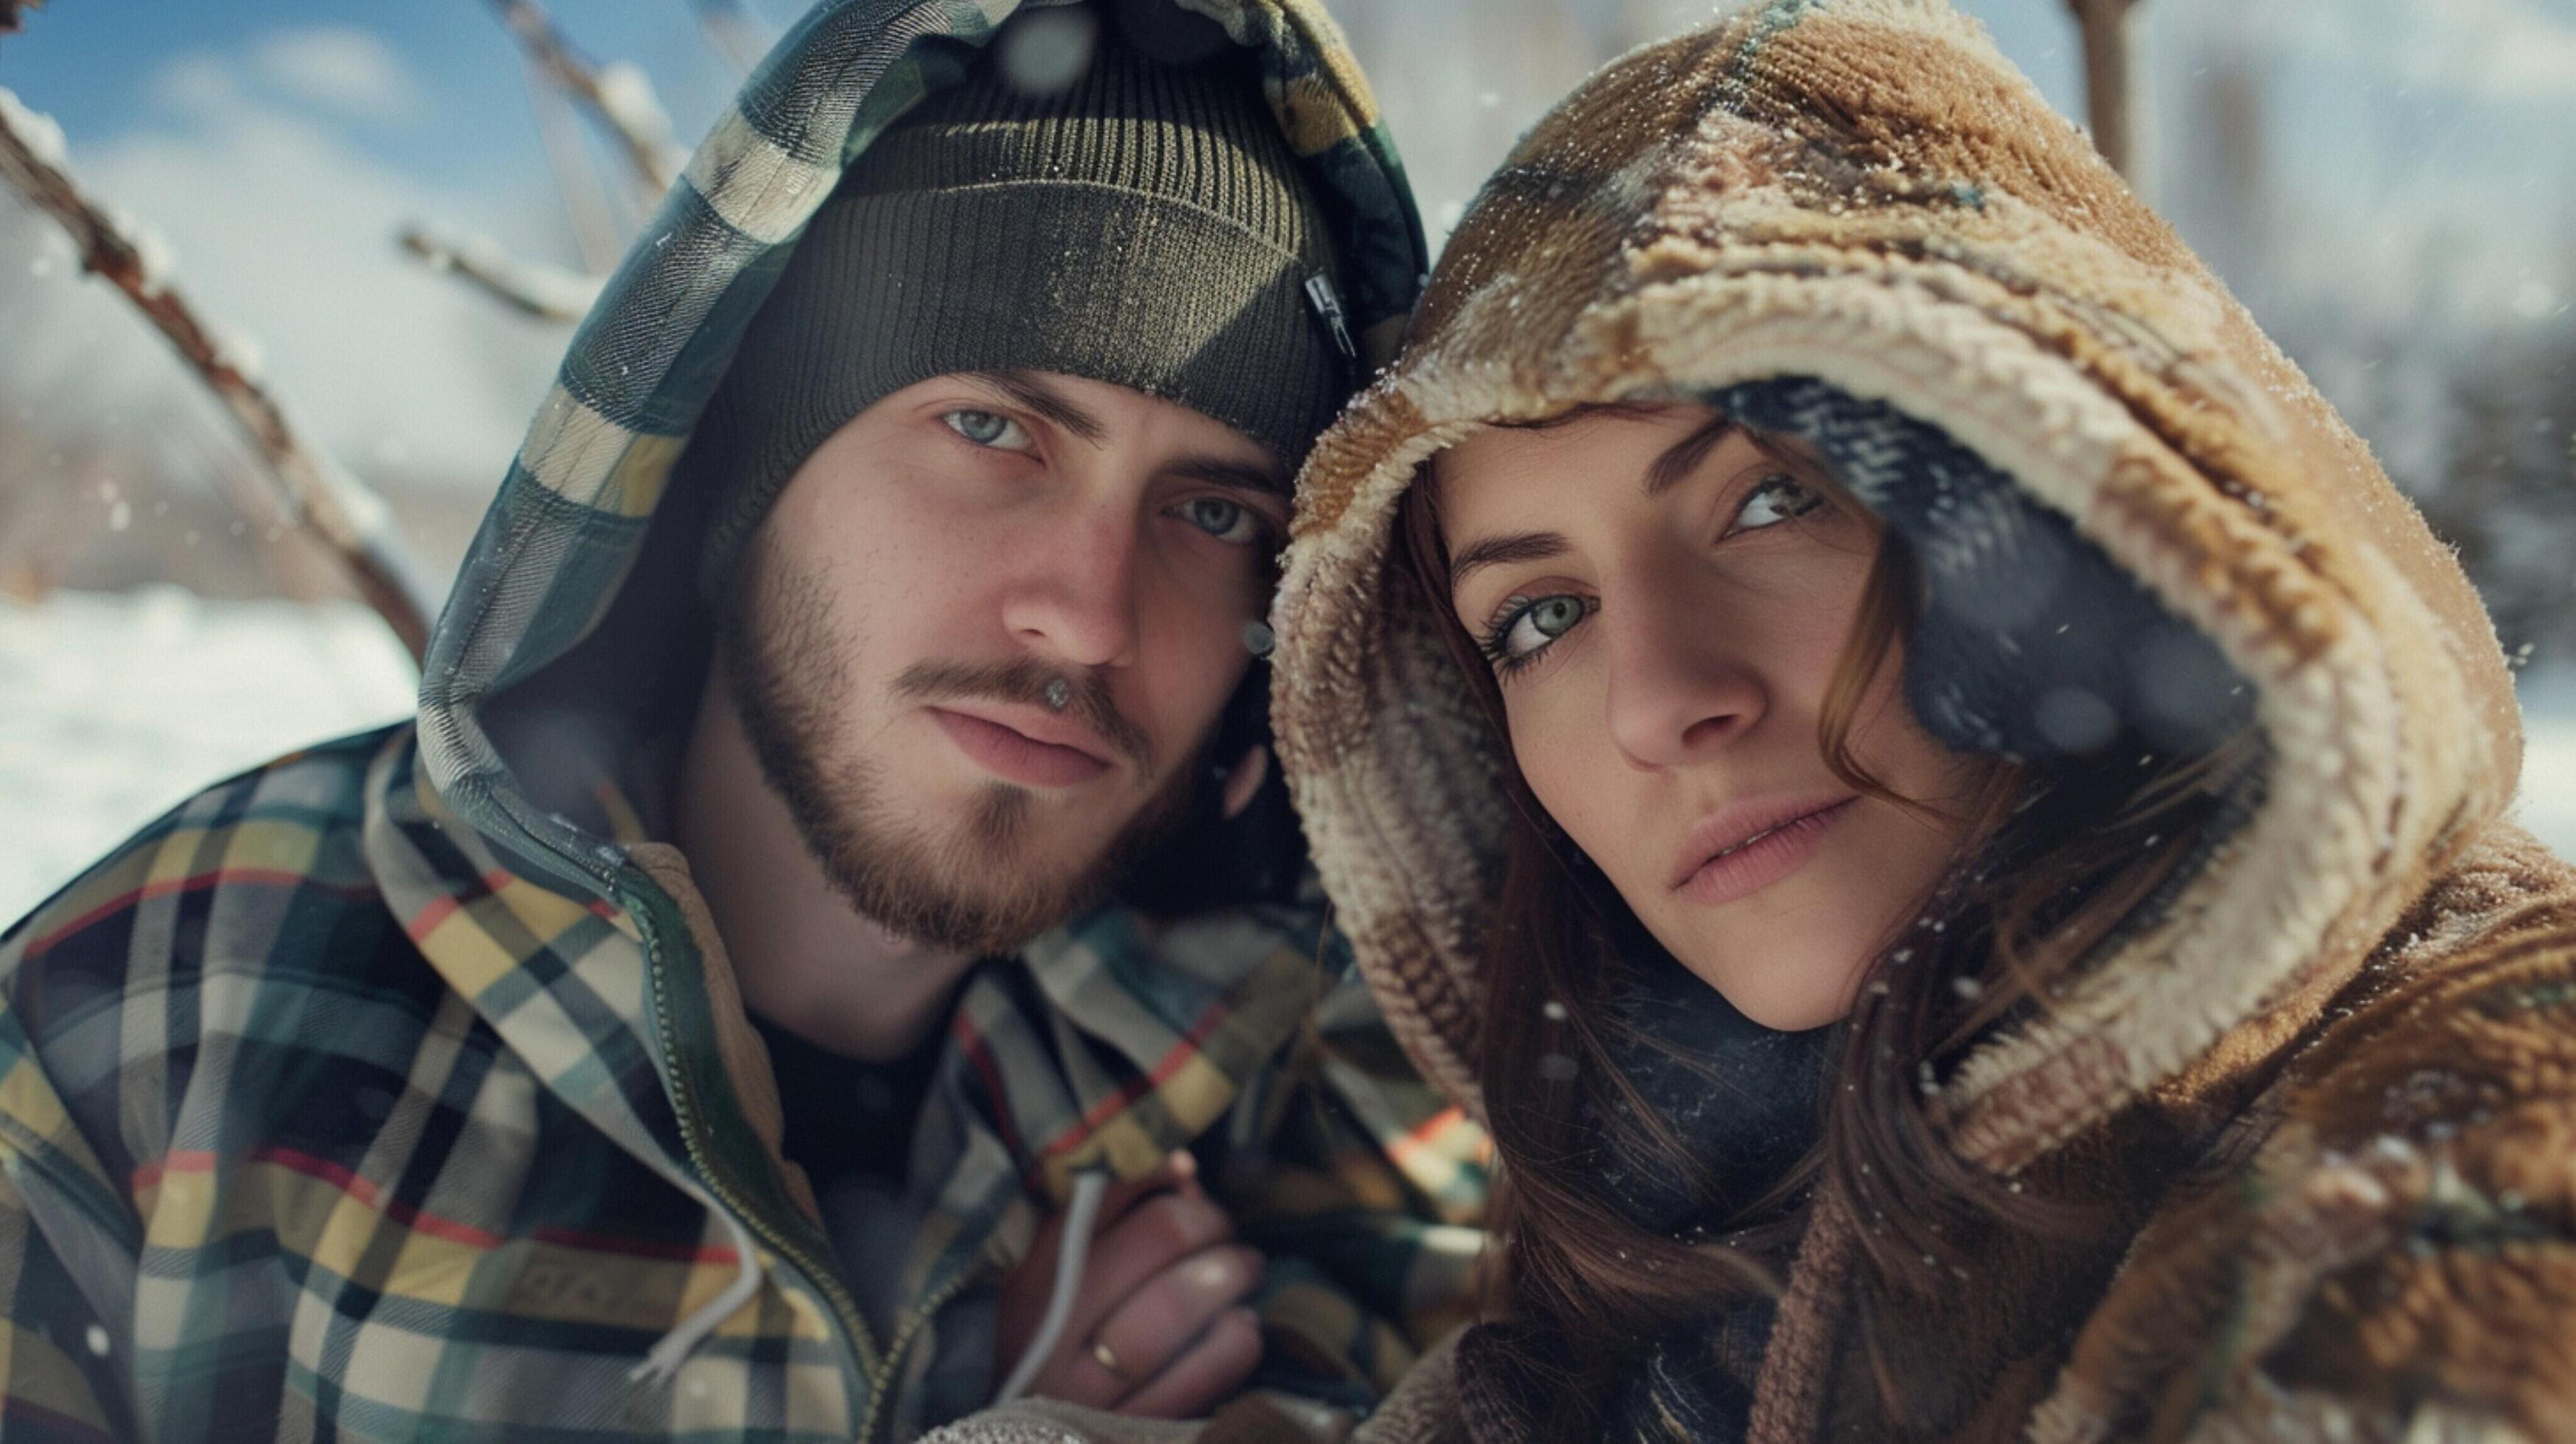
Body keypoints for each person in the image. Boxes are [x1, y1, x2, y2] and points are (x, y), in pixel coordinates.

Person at [0, 3, 1488, 1439]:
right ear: (743, 477)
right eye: (994, 430)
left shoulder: (1318, 1080)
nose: (1092, 614)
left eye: (1216, 507)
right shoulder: (174, 1007)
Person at [1268, 0, 2576, 1439]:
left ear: (2058, 524)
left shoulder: (2486, 1089)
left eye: (1771, 500)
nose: (1658, 700)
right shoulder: (1630, 1290)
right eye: (1538, 617)